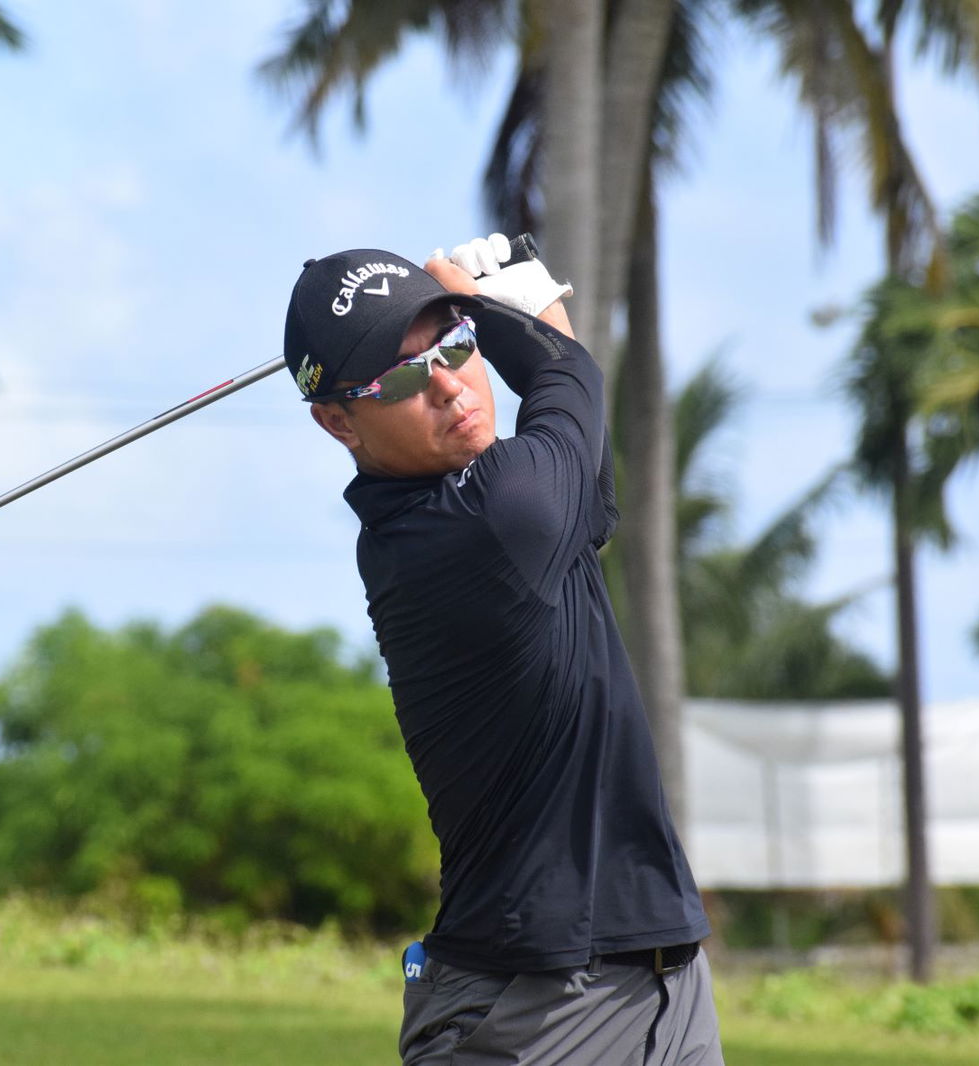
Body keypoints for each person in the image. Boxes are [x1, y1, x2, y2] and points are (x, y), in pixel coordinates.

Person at [282, 235, 723, 1065]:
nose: (449, 385)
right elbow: (570, 377)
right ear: (337, 420)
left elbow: (582, 460)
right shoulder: (483, 522)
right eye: (403, 377)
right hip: (527, 1005)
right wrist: (488, 300)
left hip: (666, 975)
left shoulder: (510, 504)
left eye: (454, 345)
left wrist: (521, 304)